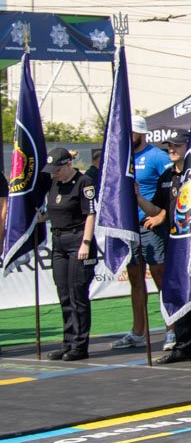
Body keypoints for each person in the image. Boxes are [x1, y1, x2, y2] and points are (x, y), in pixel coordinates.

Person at [143, 130, 191, 365]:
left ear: (188, 146)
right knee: (178, 295)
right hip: (174, 244)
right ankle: (182, 346)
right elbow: (157, 209)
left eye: (176, 145)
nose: (171, 149)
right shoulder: (167, 175)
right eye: (169, 145)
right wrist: (137, 197)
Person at [111, 115, 174, 352]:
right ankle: (138, 332)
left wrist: (162, 215)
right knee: (135, 280)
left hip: (151, 225)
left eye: (132, 132)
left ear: (142, 132)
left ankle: (172, 329)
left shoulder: (158, 156)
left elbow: (174, 188)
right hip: (129, 227)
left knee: (161, 278)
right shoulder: (122, 157)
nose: (128, 137)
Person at [43, 149, 96, 361]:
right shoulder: (54, 183)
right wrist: (39, 218)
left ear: (68, 165)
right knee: (64, 294)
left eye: (57, 170)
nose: (54, 174)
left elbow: (90, 214)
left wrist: (86, 243)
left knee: (77, 295)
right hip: (58, 242)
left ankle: (80, 345)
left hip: (78, 240)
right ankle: (68, 342)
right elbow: (55, 209)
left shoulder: (84, 182)